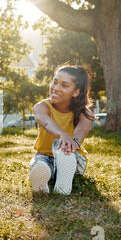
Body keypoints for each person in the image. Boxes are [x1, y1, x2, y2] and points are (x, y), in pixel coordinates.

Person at [29, 65, 94, 195]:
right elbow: (46, 122)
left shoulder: (84, 113)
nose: (56, 88)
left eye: (64, 85)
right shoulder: (42, 106)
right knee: (40, 164)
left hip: (70, 153)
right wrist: (62, 134)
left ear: (76, 92)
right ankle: (43, 178)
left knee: (64, 150)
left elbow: (80, 132)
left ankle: (64, 175)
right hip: (45, 154)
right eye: (55, 82)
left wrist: (71, 142)